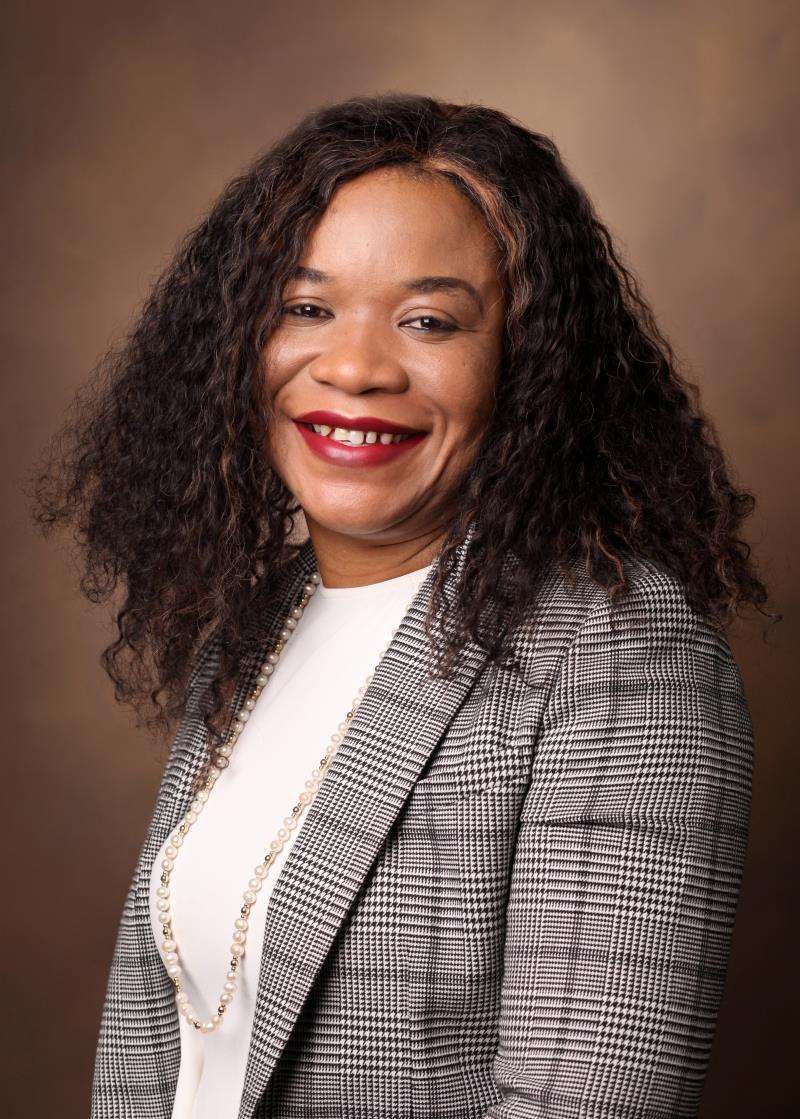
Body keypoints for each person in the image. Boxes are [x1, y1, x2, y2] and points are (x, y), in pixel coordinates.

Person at [34, 94, 771, 1119]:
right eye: (305, 308)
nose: (354, 367)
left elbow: (585, 1100)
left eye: (429, 321)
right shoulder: (256, 625)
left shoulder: (617, 653)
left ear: (525, 364)